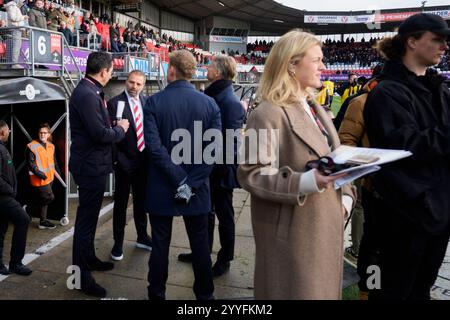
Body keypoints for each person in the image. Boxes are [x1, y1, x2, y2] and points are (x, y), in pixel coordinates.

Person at [237, 29, 355, 299]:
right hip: (294, 241)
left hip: (326, 227)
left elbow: (335, 161)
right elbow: (250, 174)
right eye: (317, 60)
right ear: (292, 64)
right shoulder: (265, 113)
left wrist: (345, 202)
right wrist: (305, 181)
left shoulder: (316, 109)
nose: (323, 66)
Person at [364, 13, 450, 300]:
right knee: (392, 292)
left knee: (421, 290)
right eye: (437, 40)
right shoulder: (387, 92)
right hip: (402, 217)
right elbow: (405, 146)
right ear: (412, 42)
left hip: (438, 213)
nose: (444, 47)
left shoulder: (439, 89)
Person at [144, 50, 221, 300]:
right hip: (196, 188)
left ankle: (156, 294)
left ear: (172, 70)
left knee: (159, 247)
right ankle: (205, 296)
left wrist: (180, 181)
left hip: (164, 186)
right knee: (200, 247)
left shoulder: (154, 102)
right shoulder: (210, 104)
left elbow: (155, 149)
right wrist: (188, 184)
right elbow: (213, 151)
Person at [177, 55, 245, 277]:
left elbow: (230, 143)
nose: (206, 68)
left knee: (224, 215)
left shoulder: (230, 102)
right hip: (205, 169)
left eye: (210, 65)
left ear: (218, 72)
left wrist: (215, 170)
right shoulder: (212, 95)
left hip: (220, 170)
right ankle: (201, 253)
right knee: (205, 213)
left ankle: (225, 258)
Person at [69, 52, 130, 298]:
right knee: (84, 224)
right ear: (104, 72)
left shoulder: (90, 90)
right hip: (90, 167)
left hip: (94, 165)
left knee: (90, 220)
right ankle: (81, 278)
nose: (111, 75)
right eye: (110, 72)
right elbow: (100, 135)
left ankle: (89, 260)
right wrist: (121, 129)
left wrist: (111, 127)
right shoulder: (87, 94)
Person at [338, 63, 383, 300]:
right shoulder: (361, 102)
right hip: (371, 182)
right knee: (372, 243)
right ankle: (368, 290)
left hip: (410, 193)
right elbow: (345, 139)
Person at [107, 70, 152, 261]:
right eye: (132, 83)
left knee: (142, 202)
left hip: (143, 162)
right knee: (121, 204)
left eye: (138, 84)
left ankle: (142, 236)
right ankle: (118, 243)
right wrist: (118, 160)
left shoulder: (146, 102)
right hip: (124, 163)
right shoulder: (114, 103)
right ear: (127, 82)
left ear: (143, 85)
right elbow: (111, 137)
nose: (134, 87)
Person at [0, 120, 32, 276]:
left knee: (1, 228)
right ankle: (16, 263)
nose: (10, 133)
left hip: (5, 195)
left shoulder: (2, 148)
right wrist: (10, 189)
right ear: (2, 132)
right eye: (8, 131)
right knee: (23, 219)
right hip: (3, 197)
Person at [25, 123, 61, 230]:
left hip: (50, 178)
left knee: (44, 200)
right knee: (49, 197)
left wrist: (59, 175)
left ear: (48, 134)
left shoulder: (51, 146)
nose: (42, 135)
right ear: (38, 133)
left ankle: (43, 221)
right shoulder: (31, 146)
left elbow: (54, 163)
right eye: (41, 133)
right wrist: (42, 175)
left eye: (45, 133)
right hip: (39, 179)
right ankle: (28, 210)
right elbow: (31, 165)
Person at [5, 0, 28, 69]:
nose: (23, 2)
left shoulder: (15, 7)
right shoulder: (12, 6)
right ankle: (14, 63)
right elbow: (13, 18)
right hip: (15, 28)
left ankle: (13, 63)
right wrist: (23, 17)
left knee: (16, 46)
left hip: (17, 28)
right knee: (15, 46)